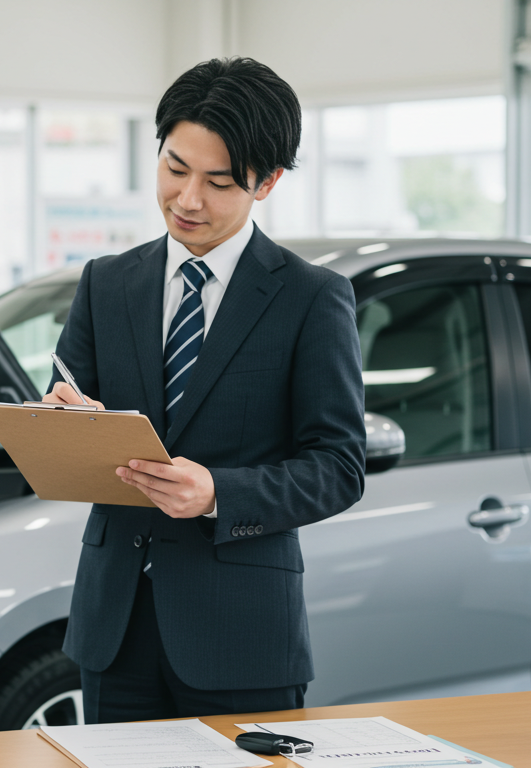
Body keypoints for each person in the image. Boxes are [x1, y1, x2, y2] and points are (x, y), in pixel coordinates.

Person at [45, 58, 366, 723]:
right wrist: (65, 426)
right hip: (115, 626)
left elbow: (338, 468)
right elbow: (66, 418)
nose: (188, 199)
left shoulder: (312, 298)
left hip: (241, 634)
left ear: (267, 182)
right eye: (175, 168)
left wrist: (218, 493)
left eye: (219, 182)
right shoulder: (105, 283)